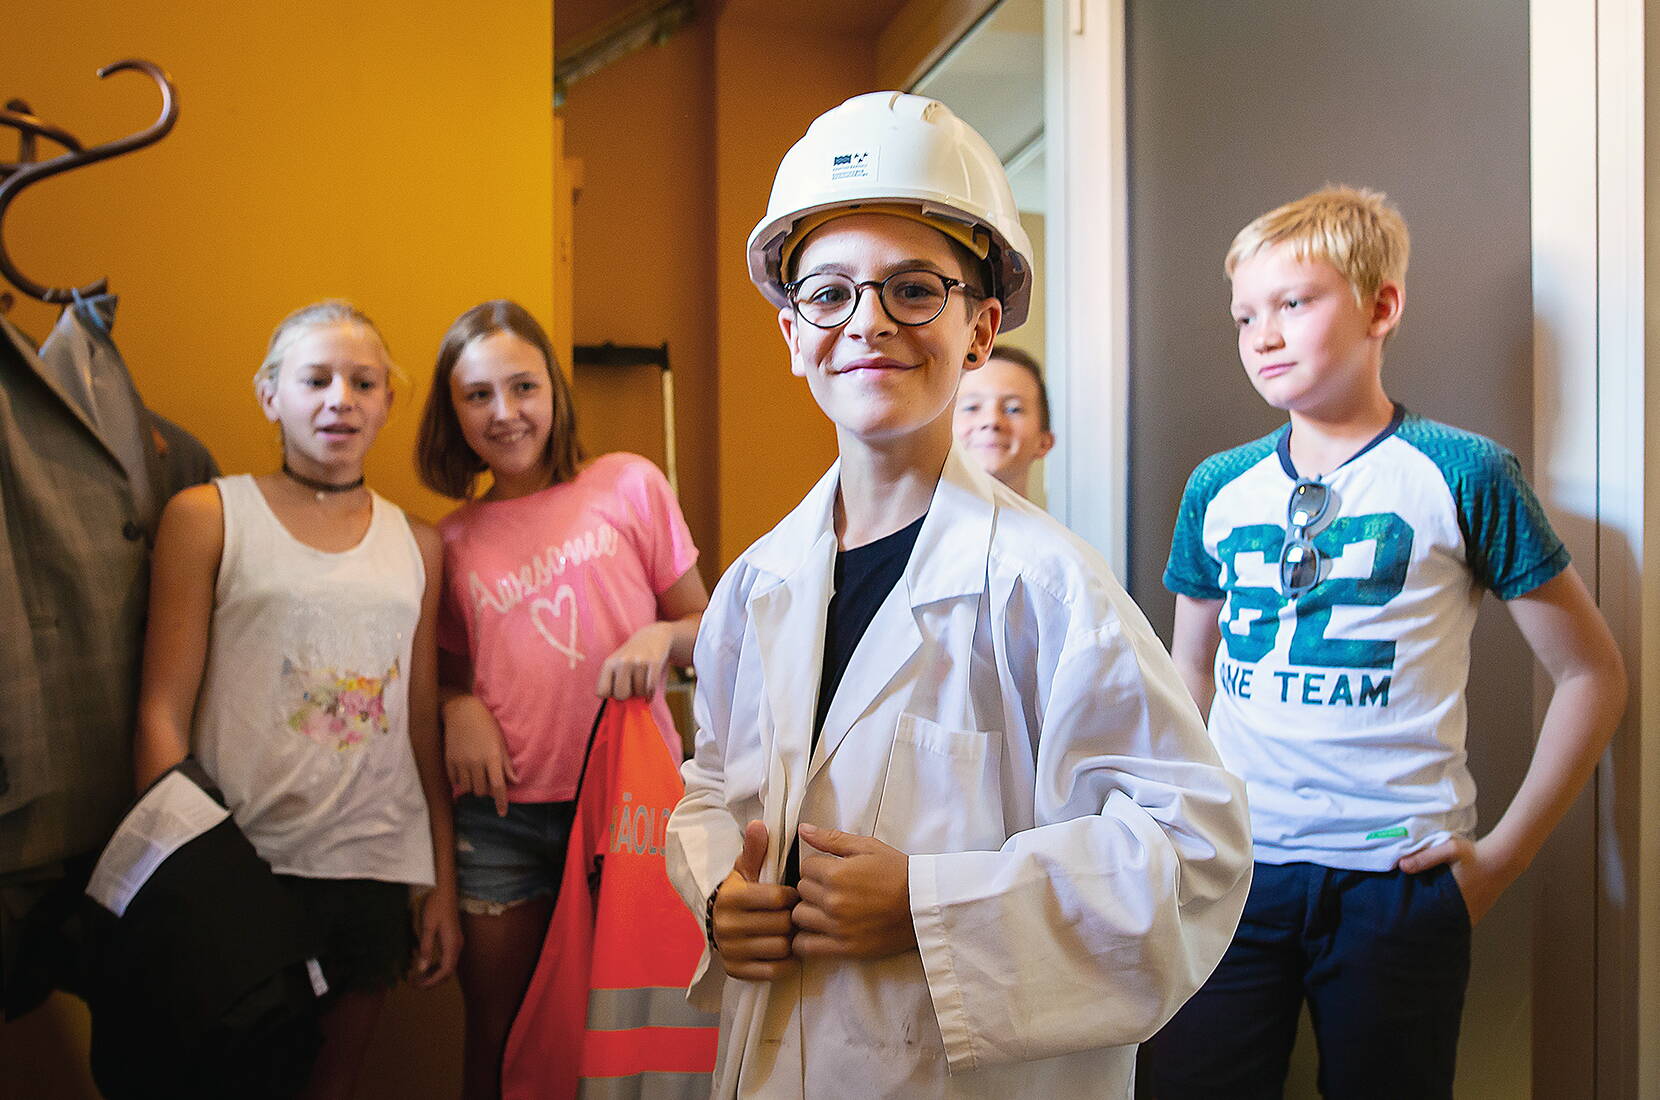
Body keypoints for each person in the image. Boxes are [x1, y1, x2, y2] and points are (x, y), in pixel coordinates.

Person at [664, 91, 1252, 1099]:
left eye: (914, 290)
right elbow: (713, 780)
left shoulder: (1050, 587)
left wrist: (931, 904)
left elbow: (1193, 853)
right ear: (791, 331)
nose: (869, 323)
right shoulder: (754, 585)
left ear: (981, 329)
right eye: (831, 292)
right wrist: (719, 885)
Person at [1146, 186, 1628, 1098]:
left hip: (1396, 882)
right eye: (1245, 313)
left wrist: (1501, 860)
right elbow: (1193, 665)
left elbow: (1591, 675)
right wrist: (1181, 821)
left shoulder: (1463, 471)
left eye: (1294, 302)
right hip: (1235, 871)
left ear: (1381, 306)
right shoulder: (1219, 486)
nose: (1263, 334)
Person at [134, 300, 461, 1100]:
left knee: (330, 1084)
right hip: (236, 867)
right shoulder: (208, 516)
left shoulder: (417, 543)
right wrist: (180, 876)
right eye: (316, 379)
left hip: (372, 867)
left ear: (388, 401)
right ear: (269, 393)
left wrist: (439, 880)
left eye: (364, 382)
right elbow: (159, 714)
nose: (340, 398)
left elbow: (418, 724)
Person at [414, 299, 708, 1100]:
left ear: (554, 392)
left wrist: (658, 638)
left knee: (626, 1032)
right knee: (502, 1043)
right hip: (501, 823)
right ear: (453, 412)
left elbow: (710, 629)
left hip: (630, 811)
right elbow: (436, 676)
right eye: (478, 395)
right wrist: (454, 706)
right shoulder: (450, 540)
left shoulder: (629, 484)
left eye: (522, 387)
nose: (505, 413)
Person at [951, 343, 1053, 499]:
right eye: (972, 407)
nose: (991, 421)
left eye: (1013, 409)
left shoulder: (1050, 525)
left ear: (1044, 442)